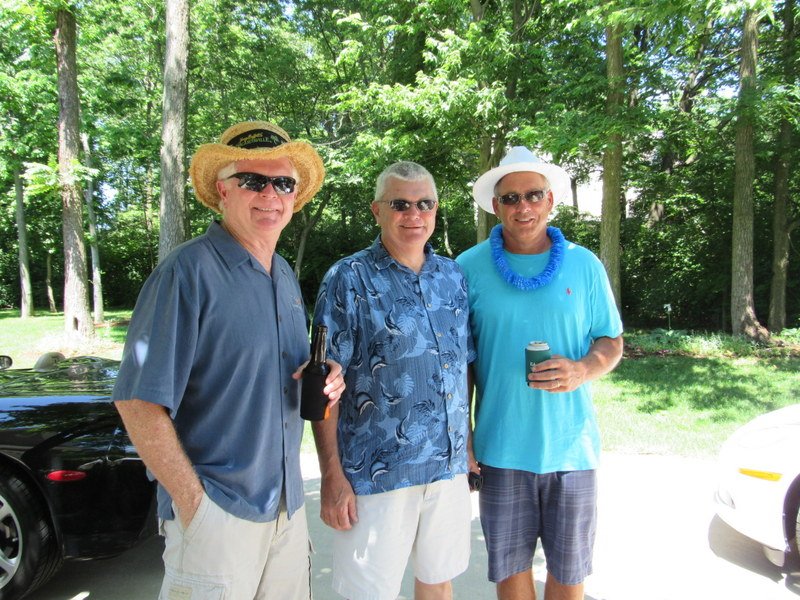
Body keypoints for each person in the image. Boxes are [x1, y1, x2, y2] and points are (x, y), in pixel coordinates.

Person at [112, 120, 345, 600]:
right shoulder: (186, 272)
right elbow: (137, 402)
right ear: (223, 190)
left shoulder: (283, 274)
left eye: (283, 183)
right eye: (253, 180)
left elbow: (278, 373)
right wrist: (194, 505)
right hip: (218, 510)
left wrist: (326, 376)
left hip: (285, 508)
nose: (270, 194)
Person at [456, 147, 624, 600]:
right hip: (501, 449)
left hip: (572, 449)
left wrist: (583, 368)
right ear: (496, 206)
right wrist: (464, 433)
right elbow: (461, 361)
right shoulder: (467, 268)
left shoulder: (584, 264)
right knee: (510, 573)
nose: (523, 206)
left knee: (569, 574)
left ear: (550, 201)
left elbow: (611, 340)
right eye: (511, 198)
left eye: (533, 195)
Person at [311, 161, 475, 600]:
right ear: (377, 210)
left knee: (438, 582)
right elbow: (324, 385)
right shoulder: (348, 279)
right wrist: (331, 475)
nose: (414, 214)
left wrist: (468, 444)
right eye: (400, 204)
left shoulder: (453, 277)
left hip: (446, 469)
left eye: (425, 204)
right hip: (375, 474)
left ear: (436, 209)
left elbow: (462, 367)